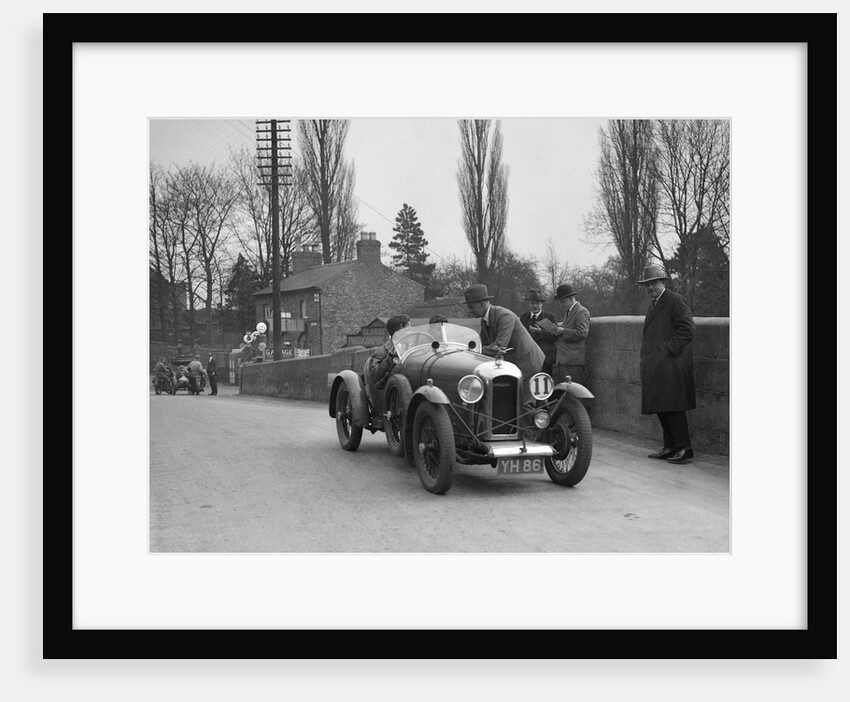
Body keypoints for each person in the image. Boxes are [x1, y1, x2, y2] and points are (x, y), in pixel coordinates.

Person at [463, 284, 544, 432]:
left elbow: (499, 346)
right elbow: (483, 344)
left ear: (482, 304)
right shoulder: (485, 320)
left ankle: (534, 438)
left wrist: (473, 350)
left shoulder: (504, 316)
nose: (470, 310)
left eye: (471, 306)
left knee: (523, 405)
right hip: (514, 366)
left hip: (528, 363)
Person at [638, 264, 696, 465]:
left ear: (663, 282)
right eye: (647, 285)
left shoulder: (674, 301)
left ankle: (684, 448)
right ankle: (670, 446)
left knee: (674, 407)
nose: (650, 287)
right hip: (659, 366)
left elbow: (687, 330)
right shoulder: (655, 304)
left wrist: (667, 351)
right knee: (663, 407)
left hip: (672, 366)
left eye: (654, 283)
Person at [364, 315, 411, 416]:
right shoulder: (383, 351)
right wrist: (388, 360)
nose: (411, 333)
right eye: (407, 330)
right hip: (393, 394)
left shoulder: (413, 348)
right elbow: (374, 376)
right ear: (397, 333)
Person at [550, 283, 591, 386]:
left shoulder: (581, 311)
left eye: (563, 301)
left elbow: (582, 332)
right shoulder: (569, 312)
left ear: (571, 298)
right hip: (565, 360)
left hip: (574, 361)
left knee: (575, 392)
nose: (561, 304)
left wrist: (563, 331)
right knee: (566, 393)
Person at [519, 289, 559, 375]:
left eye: (537, 303)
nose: (535, 306)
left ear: (542, 304)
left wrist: (541, 332)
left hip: (545, 360)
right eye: (532, 303)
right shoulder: (524, 317)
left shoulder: (549, 317)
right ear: (529, 304)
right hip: (528, 359)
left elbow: (555, 335)